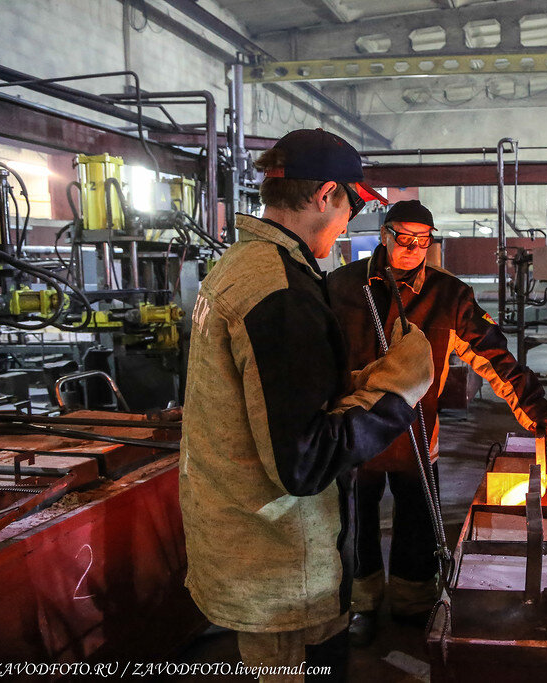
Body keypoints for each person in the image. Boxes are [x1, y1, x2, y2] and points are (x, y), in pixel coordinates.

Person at [180, 129, 434, 682]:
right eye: (351, 205)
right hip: (281, 560)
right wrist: (397, 390)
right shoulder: (280, 290)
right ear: (325, 195)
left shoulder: (241, 266)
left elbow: (278, 398)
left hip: (255, 546)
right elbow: (307, 461)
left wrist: (358, 381)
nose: (350, 222)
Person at [325, 199, 547, 644]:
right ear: (383, 234)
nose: (412, 248)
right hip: (353, 434)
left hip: (415, 435)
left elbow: (491, 354)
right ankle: (362, 603)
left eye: (422, 240)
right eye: (403, 238)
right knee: (356, 525)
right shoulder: (342, 288)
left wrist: (533, 407)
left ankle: (412, 603)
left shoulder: (448, 296)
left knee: (415, 523)